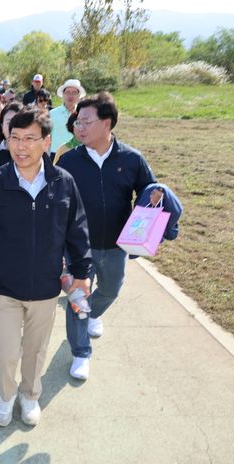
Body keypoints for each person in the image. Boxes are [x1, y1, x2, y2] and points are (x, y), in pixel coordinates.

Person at [0, 108, 92, 427]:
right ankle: (7, 395)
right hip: (4, 286)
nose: (21, 147)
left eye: (29, 139)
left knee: (36, 351)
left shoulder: (63, 183)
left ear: (46, 141)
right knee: (6, 351)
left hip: (46, 287)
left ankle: (30, 394)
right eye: (14, 138)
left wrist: (81, 273)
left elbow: (77, 229)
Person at [57, 92, 156, 381]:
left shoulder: (132, 159)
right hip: (77, 247)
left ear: (107, 123)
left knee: (111, 289)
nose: (80, 127)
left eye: (86, 121)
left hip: (115, 244)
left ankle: (93, 313)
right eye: (77, 122)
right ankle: (80, 353)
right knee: (78, 298)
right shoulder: (69, 161)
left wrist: (147, 227)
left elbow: (149, 194)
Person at [49, 79, 85, 162]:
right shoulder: (52, 114)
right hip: (56, 155)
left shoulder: (84, 114)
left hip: (79, 153)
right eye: (68, 92)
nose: (70, 96)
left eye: (74, 93)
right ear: (63, 95)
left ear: (79, 95)